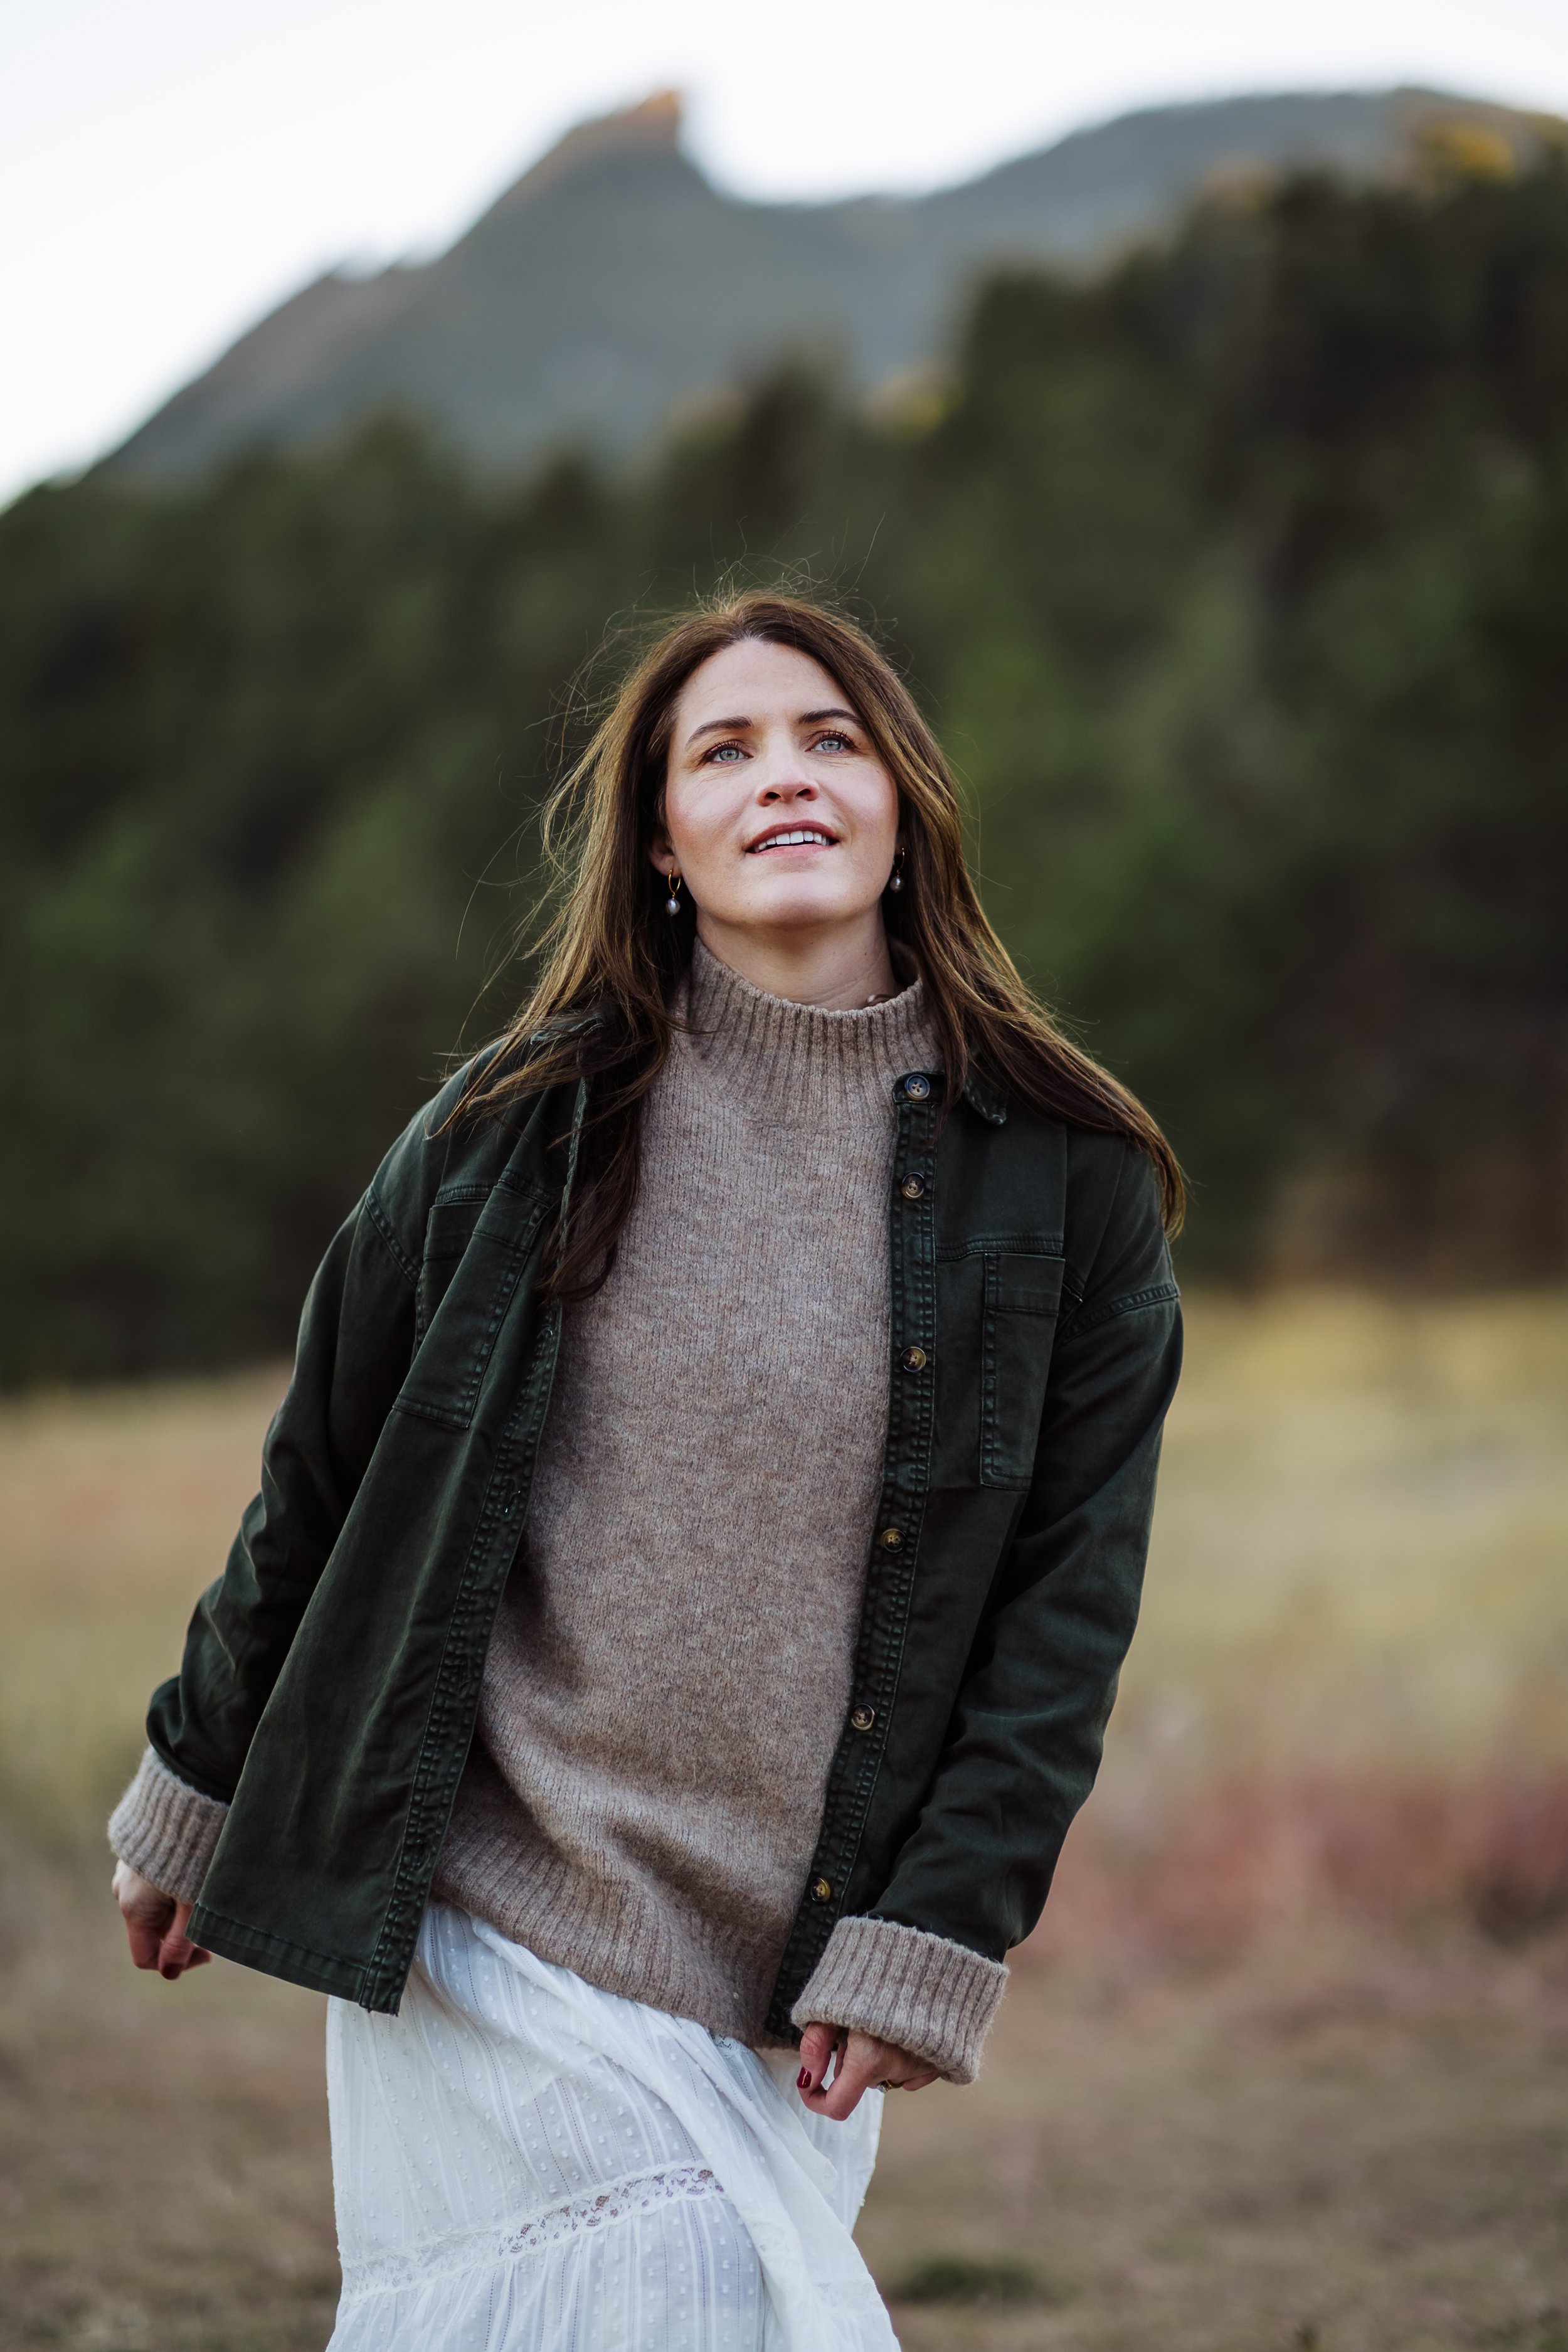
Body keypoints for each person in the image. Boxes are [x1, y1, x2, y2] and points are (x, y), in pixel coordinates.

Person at [108, 591, 1183, 2351]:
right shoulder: (503, 1133)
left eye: (832, 738)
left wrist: (937, 1935)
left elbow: (1064, 1613)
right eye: (724, 749)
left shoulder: (1065, 1186)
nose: (785, 775)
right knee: (673, 2289)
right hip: (489, 1911)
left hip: (783, 1969)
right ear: (661, 844)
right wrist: (196, 1782)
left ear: (904, 809)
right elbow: (317, 1479)